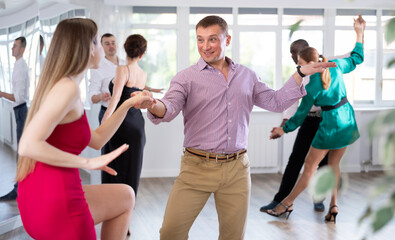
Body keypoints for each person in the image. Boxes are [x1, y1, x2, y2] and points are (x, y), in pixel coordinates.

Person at [136, 15, 336, 240]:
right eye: (200, 40)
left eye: (212, 39)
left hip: (237, 170)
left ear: (227, 39)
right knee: (171, 232)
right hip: (196, 168)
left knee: (233, 236)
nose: (205, 46)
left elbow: (276, 101)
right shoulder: (186, 78)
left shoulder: (247, 76)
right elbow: (169, 106)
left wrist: (300, 74)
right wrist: (154, 104)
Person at [15, 18, 155, 239]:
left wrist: (128, 104)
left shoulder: (69, 88)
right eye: (99, 43)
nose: (105, 48)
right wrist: (87, 163)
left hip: (44, 191)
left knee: (126, 195)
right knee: (124, 196)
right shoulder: (67, 88)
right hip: (53, 196)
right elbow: (27, 144)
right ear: (89, 48)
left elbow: (97, 138)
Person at [266, 15, 365, 223]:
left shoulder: (310, 85)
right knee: (333, 165)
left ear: (307, 63)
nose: (299, 69)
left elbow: (299, 114)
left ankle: (286, 203)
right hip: (347, 121)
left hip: (329, 124)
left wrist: (283, 129)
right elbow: (357, 58)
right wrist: (359, 33)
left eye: (301, 65)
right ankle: (333, 205)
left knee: (310, 167)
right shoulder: (336, 65)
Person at [260, 39, 329, 213]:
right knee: (295, 160)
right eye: (291, 53)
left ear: (305, 51)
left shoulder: (324, 67)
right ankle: (280, 200)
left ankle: (319, 198)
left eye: (294, 52)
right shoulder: (298, 74)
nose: (291, 55)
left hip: (326, 120)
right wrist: (282, 128)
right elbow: (292, 104)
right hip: (308, 119)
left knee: (324, 162)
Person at [101, 34, 149, 196]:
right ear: (142, 54)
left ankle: (113, 203)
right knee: (133, 165)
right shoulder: (143, 74)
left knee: (115, 164)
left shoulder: (122, 69)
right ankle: (128, 202)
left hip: (120, 123)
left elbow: (115, 100)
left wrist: (103, 125)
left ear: (125, 49)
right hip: (137, 124)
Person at [89, 33, 163, 124]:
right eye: (107, 44)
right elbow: (92, 95)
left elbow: (116, 97)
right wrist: (100, 96)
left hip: (121, 116)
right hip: (130, 116)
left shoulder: (124, 67)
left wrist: (104, 122)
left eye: (113, 43)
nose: (111, 46)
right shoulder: (98, 67)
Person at [0, 36, 30, 201]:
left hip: (21, 111)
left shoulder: (20, 67)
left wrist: (2, 94)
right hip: (20, 111)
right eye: (12, 46)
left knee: (22, 152)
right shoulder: (19, 65)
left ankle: (19, 189)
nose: (12, 48)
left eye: (15, 46)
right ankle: (20, 188)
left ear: (22, 49)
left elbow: (18, 97)